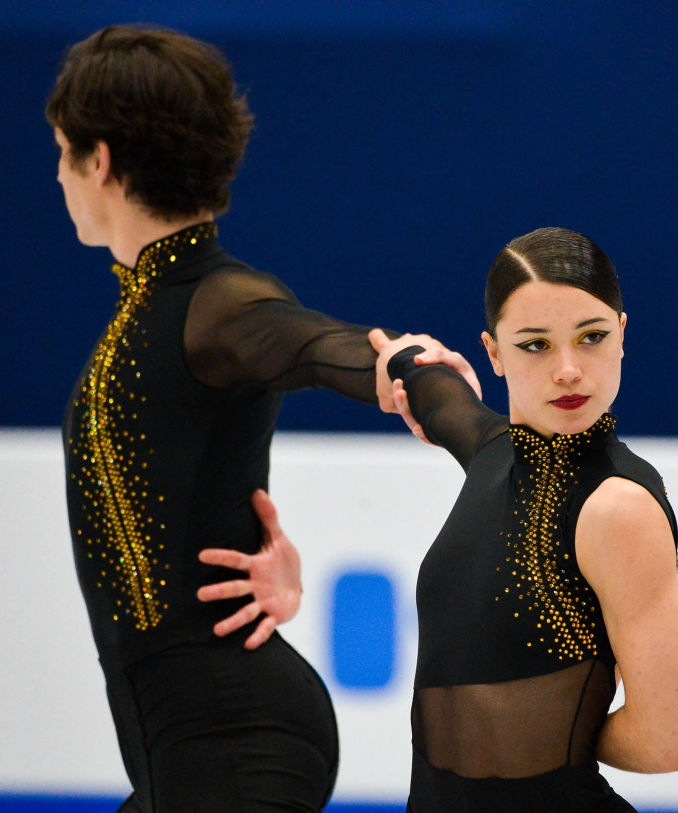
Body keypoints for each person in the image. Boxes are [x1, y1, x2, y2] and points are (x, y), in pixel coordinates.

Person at [46, 25, 479, 813]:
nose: (60, 175)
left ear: (99, 159)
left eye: (63, 152)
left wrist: (395, 365)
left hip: (237, 740)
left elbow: (311, 343)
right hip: (187, 753)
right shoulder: (148, 305)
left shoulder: (216, 301)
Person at [362, 226, 678, 811]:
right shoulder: (495, 452)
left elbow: (667, 741)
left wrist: (539, 735)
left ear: (622, 335)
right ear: (493, 353)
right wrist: (405, 357)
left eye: (590, 337)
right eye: (535, 345)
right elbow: (439, 398)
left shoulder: (616, 506)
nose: (568, 370)